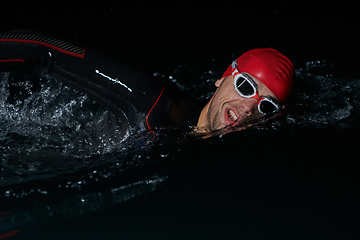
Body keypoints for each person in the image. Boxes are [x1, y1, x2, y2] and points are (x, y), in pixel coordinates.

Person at [0, 30, 295, 139]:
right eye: (245, 87)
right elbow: (41, 49)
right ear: (223, 77)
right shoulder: (151, 100)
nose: (246, 109)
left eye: (265, 106)